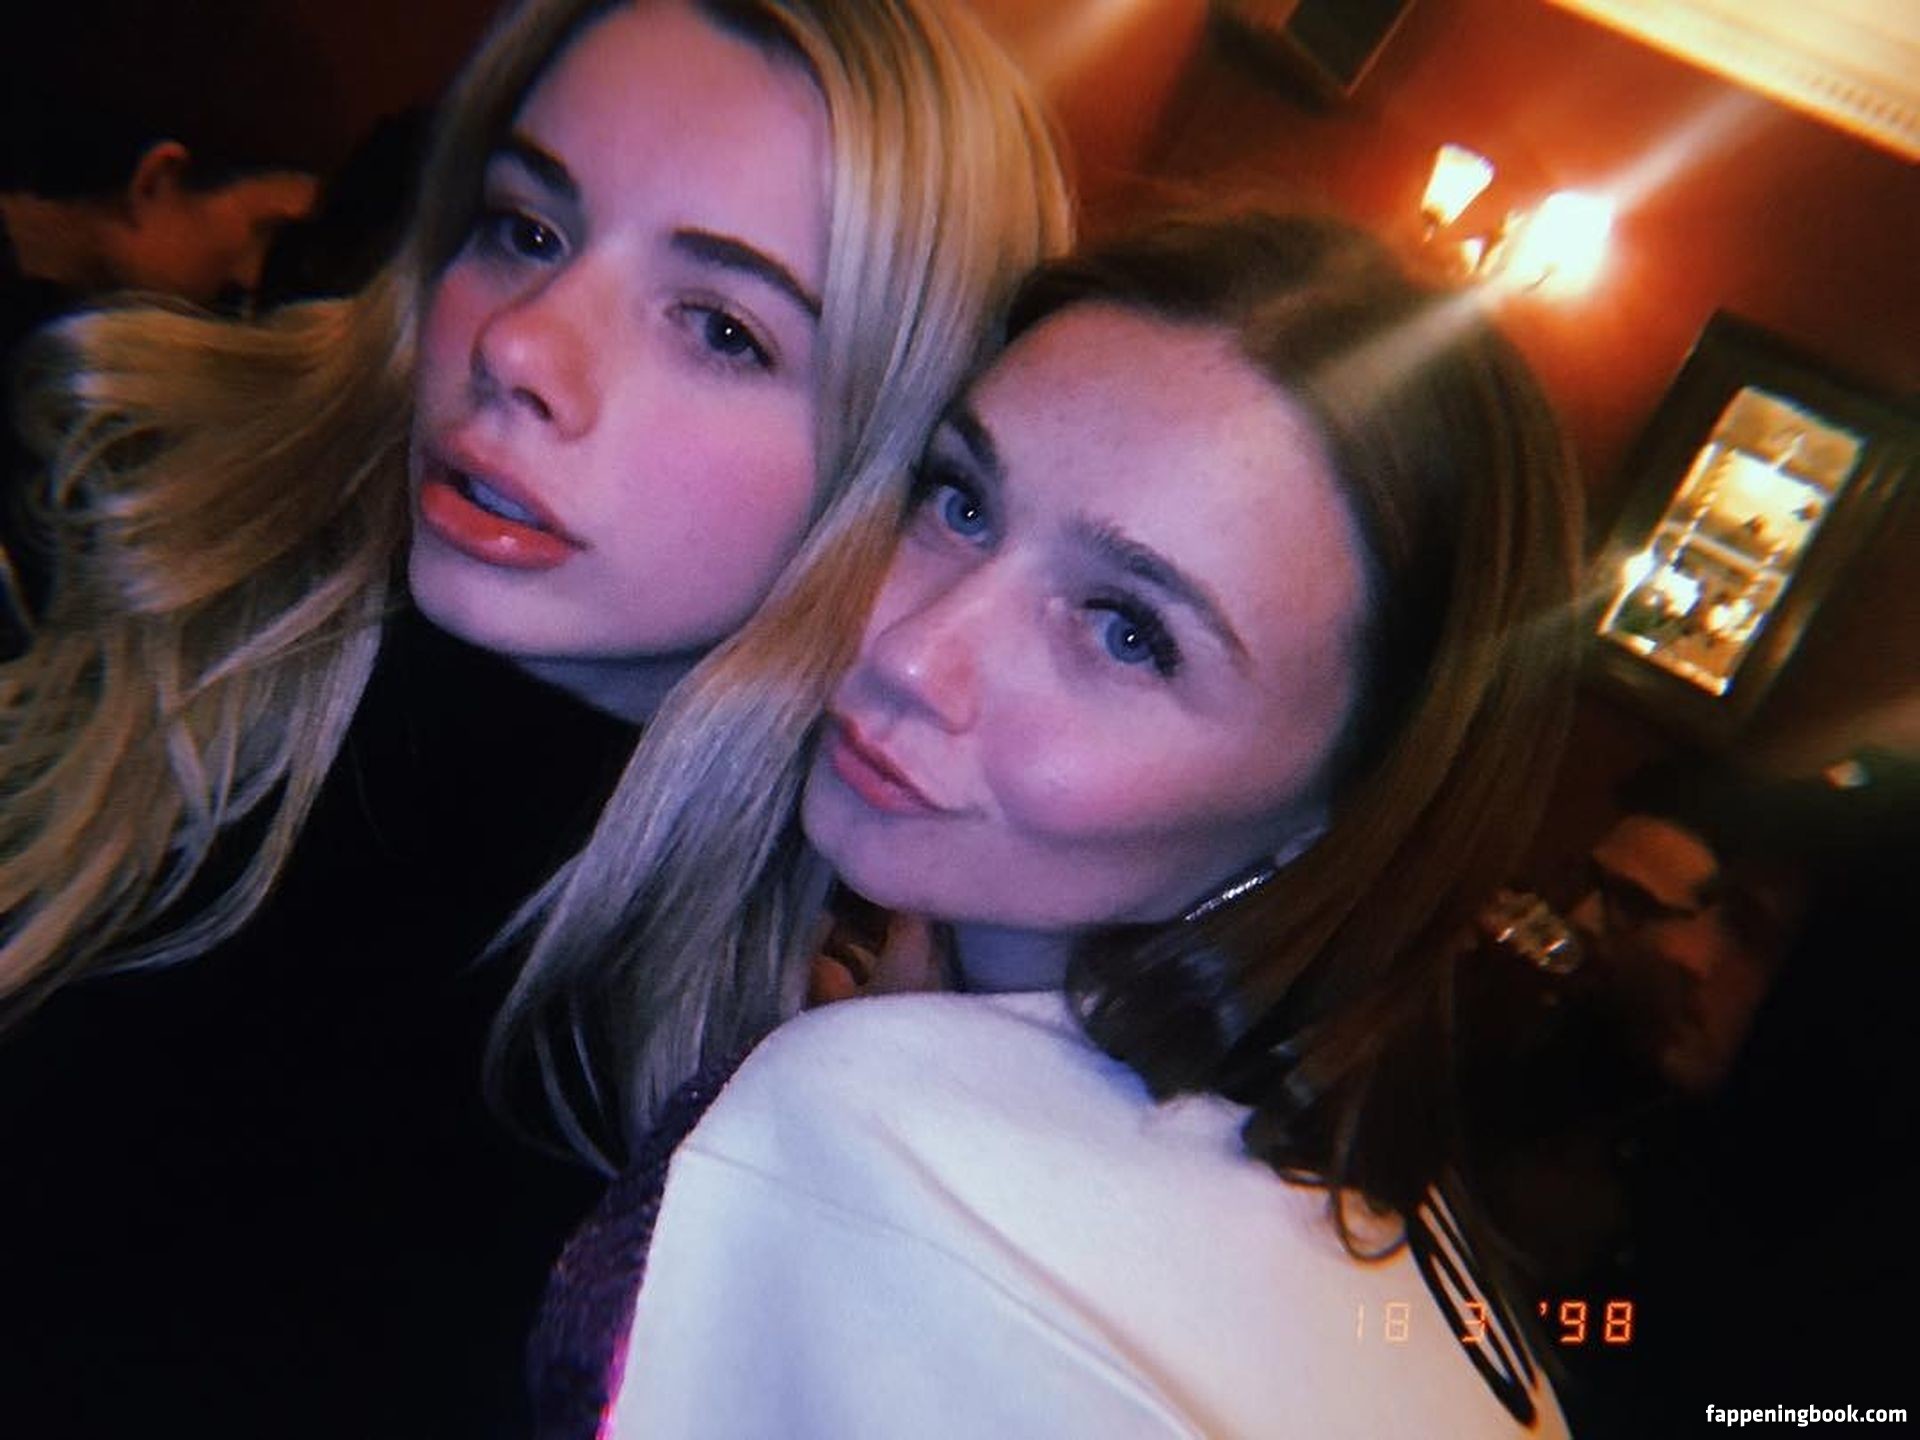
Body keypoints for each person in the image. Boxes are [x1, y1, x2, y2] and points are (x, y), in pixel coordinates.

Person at [0, 0, 1068, 1432]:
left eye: (722, 328)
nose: (520, 344)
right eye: (527, 228)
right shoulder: (101, 582)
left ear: (890, 474)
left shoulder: (740, 1150)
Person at [515, 211, 1585, 1435]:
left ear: (1346, 810)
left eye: (1128, 632)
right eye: (960, 502)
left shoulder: (872, 1144)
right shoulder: (1378, 1214)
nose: (911, 651)